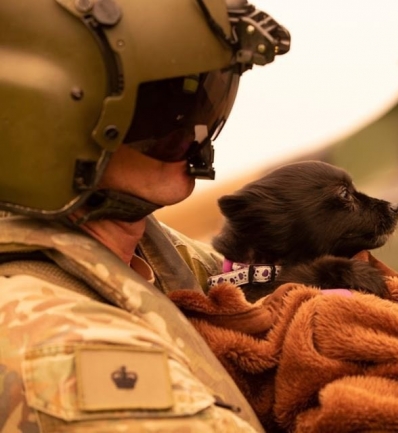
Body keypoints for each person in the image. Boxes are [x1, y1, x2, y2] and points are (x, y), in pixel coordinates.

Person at [0, 0, 289, 431]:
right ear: (52, 116)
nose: (195, 132)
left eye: (208, 97)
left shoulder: (150, 251)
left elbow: (254, 279)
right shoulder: (63, 345)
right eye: (166, 111)